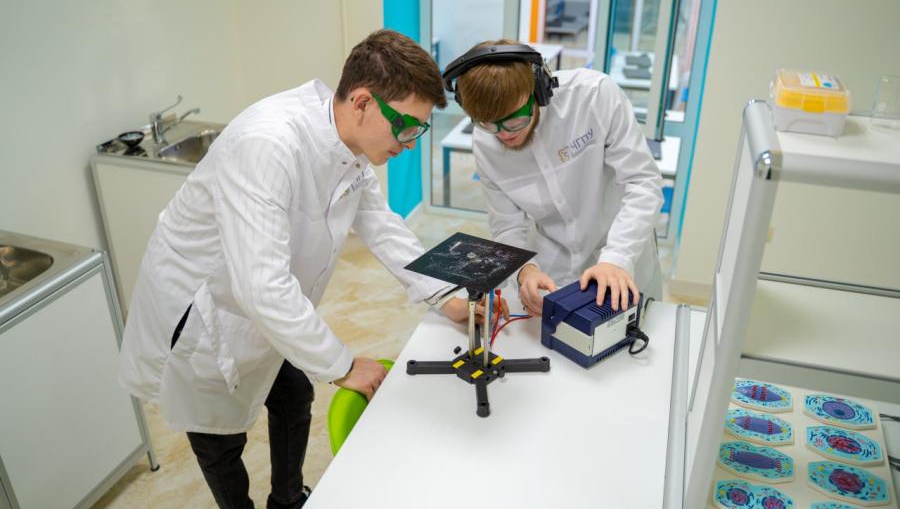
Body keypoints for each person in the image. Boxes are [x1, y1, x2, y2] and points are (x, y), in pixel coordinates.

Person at [119, 30, 493, 509]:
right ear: (363, 102)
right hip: (204, 313)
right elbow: (261, 286)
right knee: (219, 440)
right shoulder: (268, 144)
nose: (410, 143)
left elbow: (381, 225)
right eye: (406, 127)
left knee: (294, 394)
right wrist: (343, 365)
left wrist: (447, 296)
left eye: (418, 130)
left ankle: (288, 499)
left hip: (261, 307)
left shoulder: (346, 146)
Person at [442, 40, 664, 316]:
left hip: (622, 254)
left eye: (515, 120)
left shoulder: (593, 96)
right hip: (553, 268)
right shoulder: (485, 143)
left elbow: (643, 183)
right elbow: (507, 226)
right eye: (489, 124)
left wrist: (617, 258)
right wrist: (525, 270)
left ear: (539, 91)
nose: (505, 134)